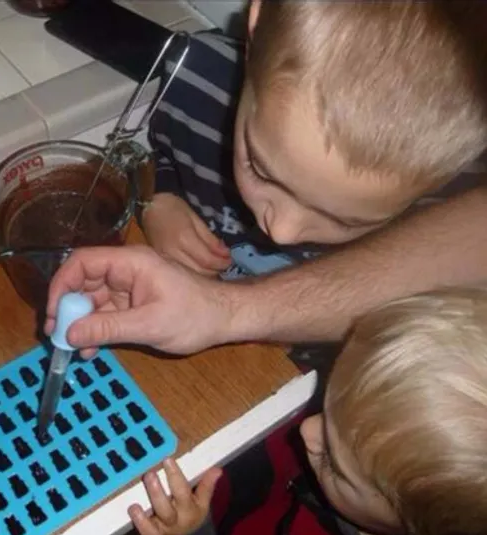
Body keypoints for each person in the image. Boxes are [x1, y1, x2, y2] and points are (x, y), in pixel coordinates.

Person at [45, 1, 487, 355]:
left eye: (348, 221)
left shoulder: (445, 206)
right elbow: (154, 152)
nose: (281, 230)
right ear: (254, 36)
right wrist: (158, 198)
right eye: (259, 167)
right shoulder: (197, 80)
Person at [122, 289, 487, 535]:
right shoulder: (363, 442)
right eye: (329, 396)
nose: (307, 430)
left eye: (333, 461)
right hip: (233, 502)